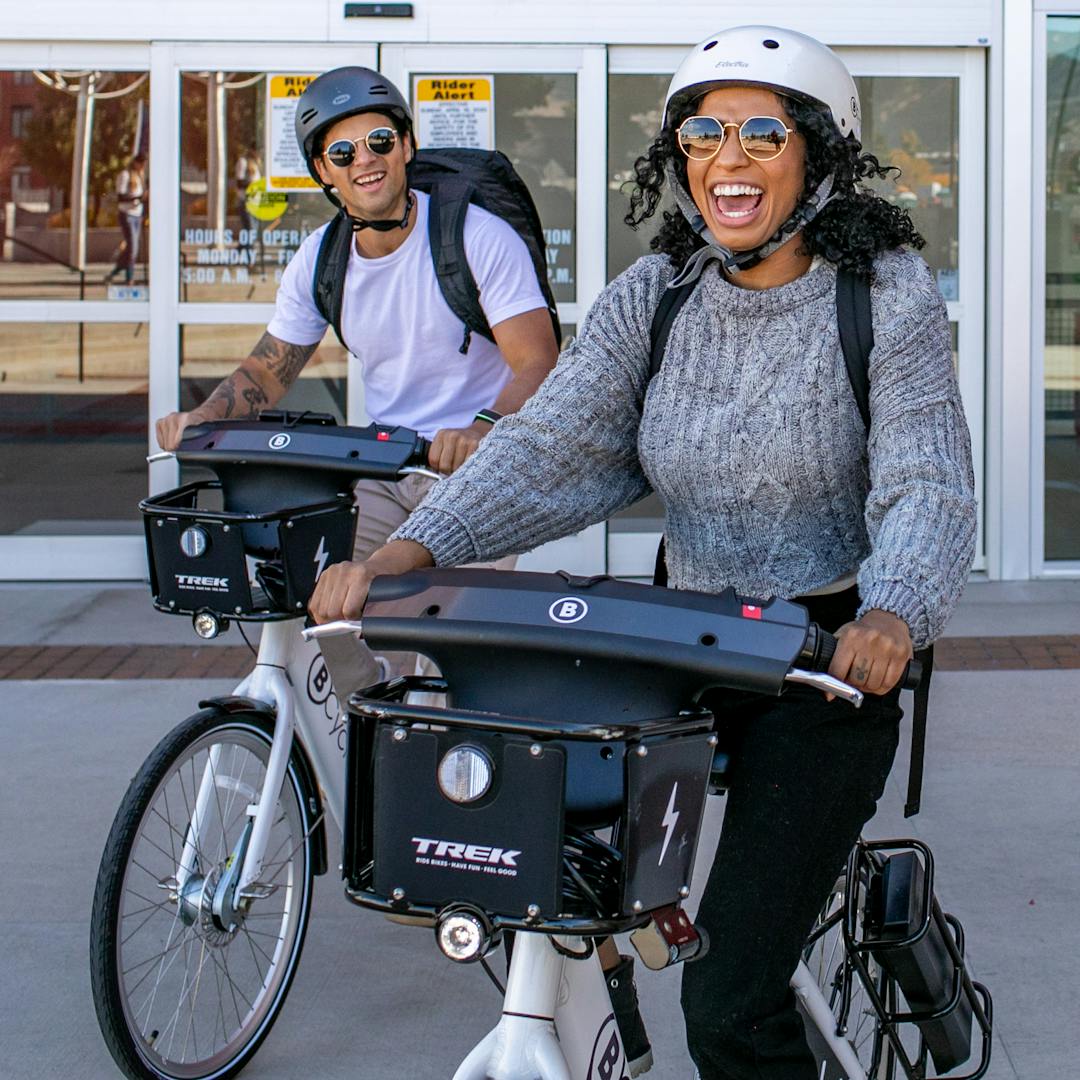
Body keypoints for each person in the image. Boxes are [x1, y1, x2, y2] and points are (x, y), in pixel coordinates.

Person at [309, 26, 977, 1080]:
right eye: (703, 132)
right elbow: (549, 446)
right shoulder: (656, 294)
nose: (729, 158)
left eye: (764, 132)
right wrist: (418, 548)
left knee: (727, 999)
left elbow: (925, 475)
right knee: (544, 874)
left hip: (827, 658)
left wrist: (893, 611)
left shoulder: (880, 293)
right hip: (685, 631)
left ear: (818, 153)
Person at [155, 67, 559, 673]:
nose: (363, 161)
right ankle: (347, 748)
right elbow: (267, 372)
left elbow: (538, 360)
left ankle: (446, 756)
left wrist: (481, 428)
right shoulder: (321, 258)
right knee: (327, 609)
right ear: (323, 171)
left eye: (380, 142)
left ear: (407, 147)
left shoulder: (477, 237)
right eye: (342, 151)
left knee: (451, 646)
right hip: (384, 464)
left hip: (477, 467)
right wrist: (205, 418)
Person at [106, 152, 146, 285]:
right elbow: (121, 197)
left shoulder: (140, 177)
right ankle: (129, 277)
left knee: (132, 247)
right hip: (127, 214)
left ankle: (116, 271)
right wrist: (137, 199)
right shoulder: (125, 175)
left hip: (137, 215)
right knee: (132, 246)